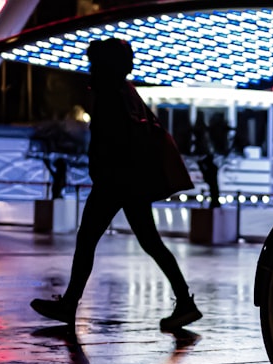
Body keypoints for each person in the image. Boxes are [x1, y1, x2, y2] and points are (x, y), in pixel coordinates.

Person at [30, 38, 201, 331]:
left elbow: (111, 142)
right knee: (149, 242)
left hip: (115, 182)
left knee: (88, 241)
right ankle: (185, 302)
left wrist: (103, 172)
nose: (90, 69)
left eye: (94, 64)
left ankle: (69, 305)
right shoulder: (126, 94)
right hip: (129, 182)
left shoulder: (111, 96)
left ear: (105, 66)